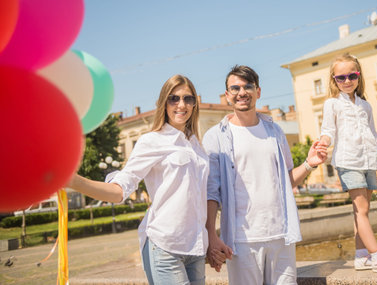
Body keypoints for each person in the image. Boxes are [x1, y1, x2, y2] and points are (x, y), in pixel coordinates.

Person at [67, 75, 210, 285]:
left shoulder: (195, 143)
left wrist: (212, 240)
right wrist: (74, 181)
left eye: (188, 99)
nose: (182, 105)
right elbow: (119, 190)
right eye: (174, 98)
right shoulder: (151, 141)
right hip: (166, 247)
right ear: (163, 103)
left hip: (197, 247)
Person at [203, 65, 327, 284]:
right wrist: (212, 237)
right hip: (241, 241)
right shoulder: (216, 137)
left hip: (282, 235)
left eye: (248, 86)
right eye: (235, 88)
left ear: (258, 92)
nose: (242, 92)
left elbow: (285, 182)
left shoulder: (274, 131)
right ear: (227, 96)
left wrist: (309, 164)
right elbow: (211, 193)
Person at [318, 53, 377, 274]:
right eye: (341, 77)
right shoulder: (332, 104)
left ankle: (361, 256)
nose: (347, 81)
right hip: (349, 161)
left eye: (352, 75)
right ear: (334, 79)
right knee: (362, 209)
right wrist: (323, 143)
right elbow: (328, 130)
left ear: (358, 76)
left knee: (361, 211)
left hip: (368, 161)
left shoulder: (365, 105)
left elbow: (373, 135)